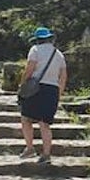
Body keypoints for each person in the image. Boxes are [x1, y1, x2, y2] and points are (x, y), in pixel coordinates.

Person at [18, 26, 67, 164]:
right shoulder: (58, 54)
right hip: (52, 90)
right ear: (49, 38)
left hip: (36, 89)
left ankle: (30, 148)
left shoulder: (35, 50)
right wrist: (59, 94)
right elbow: (63, 76)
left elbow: (29, 69)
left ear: (38, 39)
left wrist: (22, 85)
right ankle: (46, 154)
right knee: (44, 124)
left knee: (26, 118)